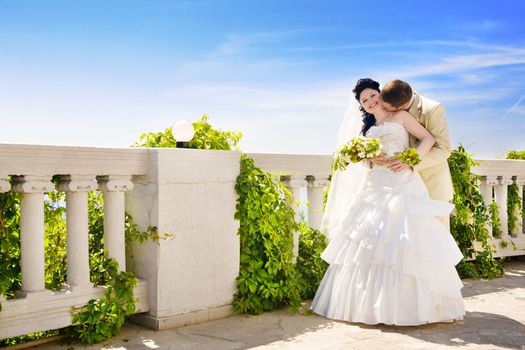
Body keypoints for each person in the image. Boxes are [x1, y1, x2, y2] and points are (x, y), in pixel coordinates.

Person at [312, 78, 465, 325]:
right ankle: (371, 308)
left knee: (406, 240)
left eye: (373, 95)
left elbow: (428, 139)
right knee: (371, 243)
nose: (371, 102)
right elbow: (364, 161)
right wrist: (371, 158)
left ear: (381, 93)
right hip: (375, 185)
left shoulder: (402, 116)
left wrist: (410, 159)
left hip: (403, 182)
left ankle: (413, 307)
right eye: (365, 100)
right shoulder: (368, 127)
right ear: (361, 106)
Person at [379, 80, 453, 228]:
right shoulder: (389, 100)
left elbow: (443, 148)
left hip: (431, 182)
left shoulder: (432, 109)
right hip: (402, 185)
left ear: (399, 108)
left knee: (437, 234)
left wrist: (411, 162)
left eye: (387, 109)